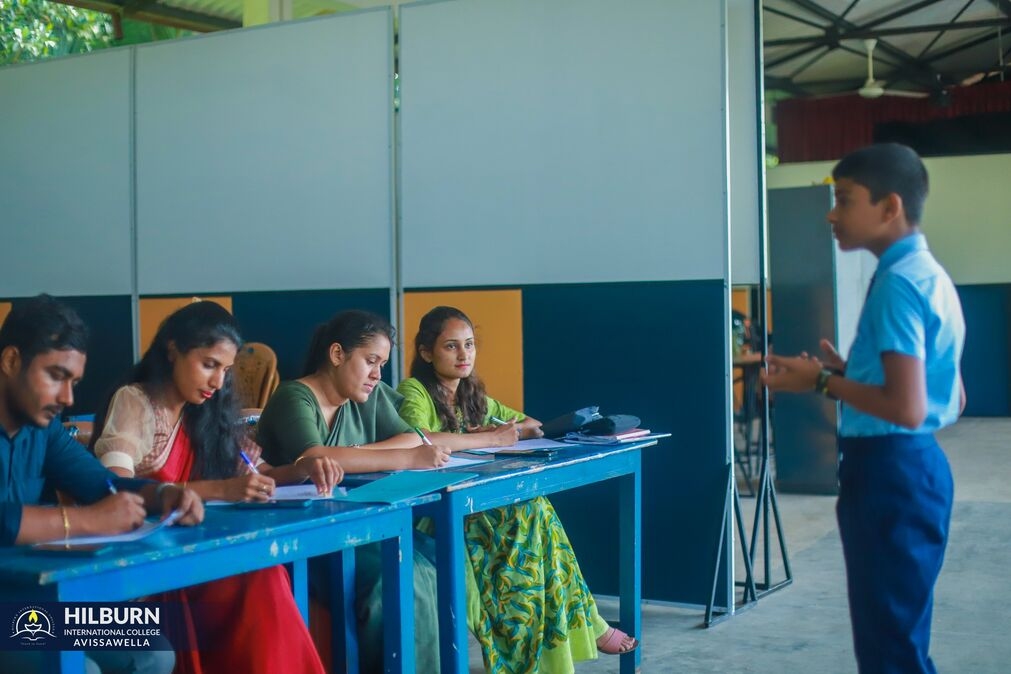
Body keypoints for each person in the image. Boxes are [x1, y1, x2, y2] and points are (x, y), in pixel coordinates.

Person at [762, 143, 965, 674]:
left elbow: (905, 406)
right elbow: (953, 395)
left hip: (890, 474)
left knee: (889, 650)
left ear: (889, 206)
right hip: (917, 470)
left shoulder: (897, 285)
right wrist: (852, 373)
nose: (831, 213)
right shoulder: (930, 275)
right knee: (899, 637)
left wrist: (823, 381)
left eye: (844, 200)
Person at [92, 301, 337, 674]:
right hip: (151, 566)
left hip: (199, 556)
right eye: (208, 365)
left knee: (264, 571)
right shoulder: (136, 401)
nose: (218, 382)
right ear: (172, 350)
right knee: (258, 578)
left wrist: (304, 468)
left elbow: (260, 474)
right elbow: (115, 486)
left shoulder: (206, 412)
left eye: (225, 370)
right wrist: (224, 490)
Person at [397, 305, 638, 672]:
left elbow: (534, 425)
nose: (464, 355)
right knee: (528, 517)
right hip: (439, 511)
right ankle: (567, 635)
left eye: (470, 345)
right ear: (427, 352)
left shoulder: (471, 395)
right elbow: (417, 438)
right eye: (451, 346)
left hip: (478, 504)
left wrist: (498, 432)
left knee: (535, 509)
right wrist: (486, 437)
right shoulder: (414, 390)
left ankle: (556, 641)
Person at [0, 295, 203, 674]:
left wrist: (161, 494)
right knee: (83, 670)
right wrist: (89, 521)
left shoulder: (43, 430)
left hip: (30, 601)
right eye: (56, 376)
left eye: (74, 382)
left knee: (153, 651)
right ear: (11, 361)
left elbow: (101, 483)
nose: (68, 398)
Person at [256, 310, 449, 673]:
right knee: (391, 579)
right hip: (304, 537)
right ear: (336, 355)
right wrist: (404, 458)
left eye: (383, 364)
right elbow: (313, 457)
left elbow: (415, 437)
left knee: (437, 560)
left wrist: (356, 455)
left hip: (357, 526)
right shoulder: (295, 396)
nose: (378, 374)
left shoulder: (367, 395)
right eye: (371, 361)